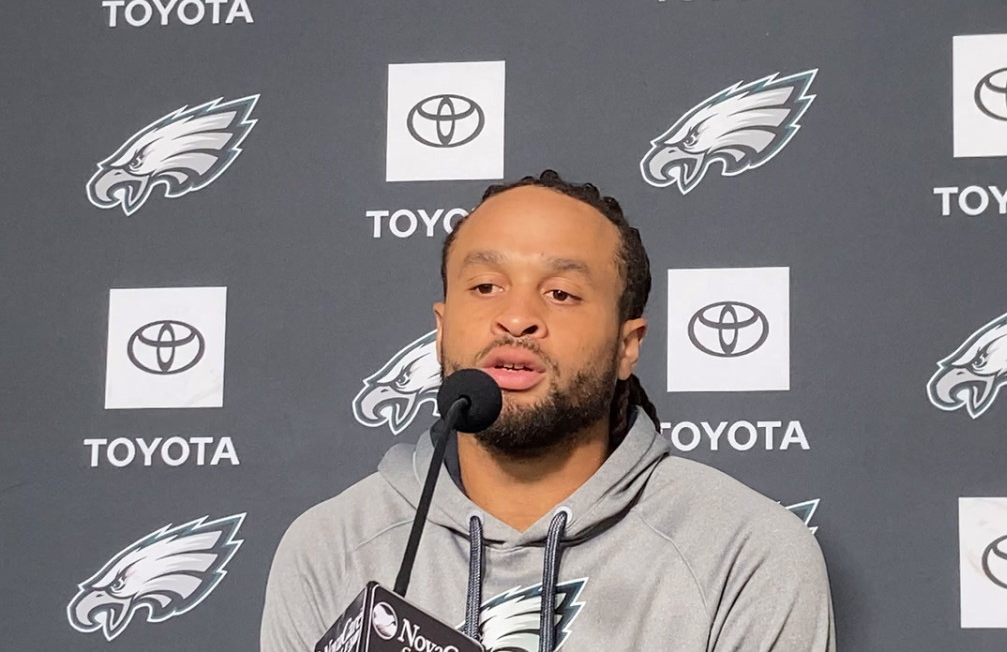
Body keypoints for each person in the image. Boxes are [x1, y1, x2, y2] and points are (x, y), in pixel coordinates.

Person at [260, 170, 835, 651]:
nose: (517, 318)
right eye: (485, 287)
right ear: (441, 328)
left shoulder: (746, 551)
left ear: (627, 345)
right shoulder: (330, 546)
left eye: (560, 293)